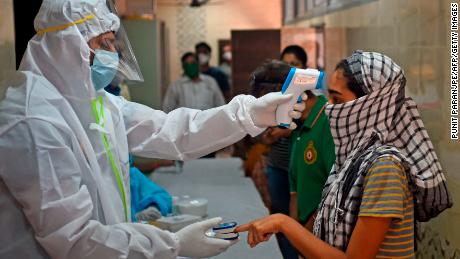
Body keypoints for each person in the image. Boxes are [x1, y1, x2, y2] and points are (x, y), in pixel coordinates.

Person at [0, 0, 306, 258]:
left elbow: (172, 131)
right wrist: (170, 244)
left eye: (112, 42)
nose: (112, 54)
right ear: (66, 45)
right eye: (102, 42)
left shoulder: (95, 102)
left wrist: (247, 113)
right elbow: (73, 239)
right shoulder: (34, 121)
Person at [235, 51, 452, 259]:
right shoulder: (355, 156)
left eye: (337, 101)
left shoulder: (385, 166)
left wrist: (283, 223)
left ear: (371, 105)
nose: (329, 109)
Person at [250, 45, 313, 259]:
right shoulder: (276, 95)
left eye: (295, 64)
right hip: (277, 165)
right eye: (286, 64)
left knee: (300, 220)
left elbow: (308, 128)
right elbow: (261, 132)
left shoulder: (311, 98)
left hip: (303, 170)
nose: (291, 69)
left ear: (305, 67)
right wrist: (268, 136)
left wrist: (283, 132)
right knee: (279, 216)